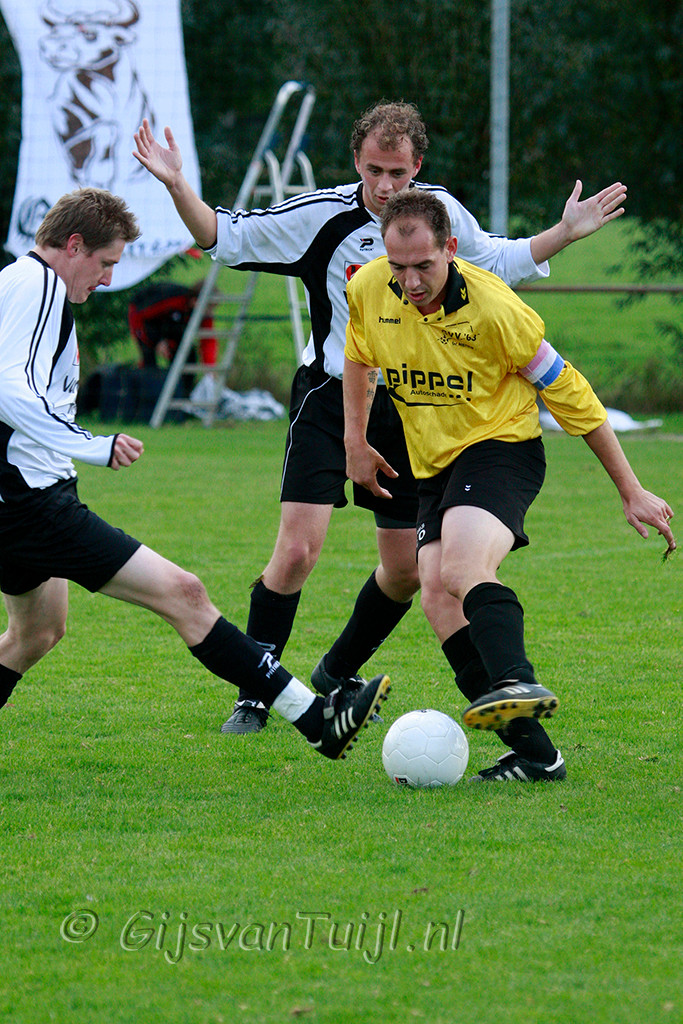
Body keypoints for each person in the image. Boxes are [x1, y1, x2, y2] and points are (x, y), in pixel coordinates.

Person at [133, 101, 629, 736]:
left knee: (404, 571)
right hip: (329, 396)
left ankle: (335, 671)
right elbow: (223, 238)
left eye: (398, 172)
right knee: (297, 551)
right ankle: (256, 693)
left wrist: (564, 232)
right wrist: (178, 184)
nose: (386, 185)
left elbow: (497, 264)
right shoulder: (322, 216)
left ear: (417, 165)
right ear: (356, 163)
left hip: (410, 406)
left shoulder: (437, 216)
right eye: (373, 170)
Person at [0, 187, 390, 762]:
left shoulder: (23, 283)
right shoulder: (37, 285)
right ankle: (315, 719)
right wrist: (94, 445)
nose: (108, 279)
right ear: (74, 245)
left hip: (28, 495)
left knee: (37, 633)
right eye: (106, 262)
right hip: (30, 503)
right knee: (184, 593)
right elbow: (10, 390)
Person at [342, 188, 676, 781]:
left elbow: (571, 394)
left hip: (502, 450)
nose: (411, 281)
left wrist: (631, 489)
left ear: (451, 248)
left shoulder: (496, 310)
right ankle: (537, 756)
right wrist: (354, 439)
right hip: (433, 464)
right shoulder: (369, 287)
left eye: (424, 265)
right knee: (437, 598)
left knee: (462, 568)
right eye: (399, 267)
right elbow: (358, 356)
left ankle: (516, 679)